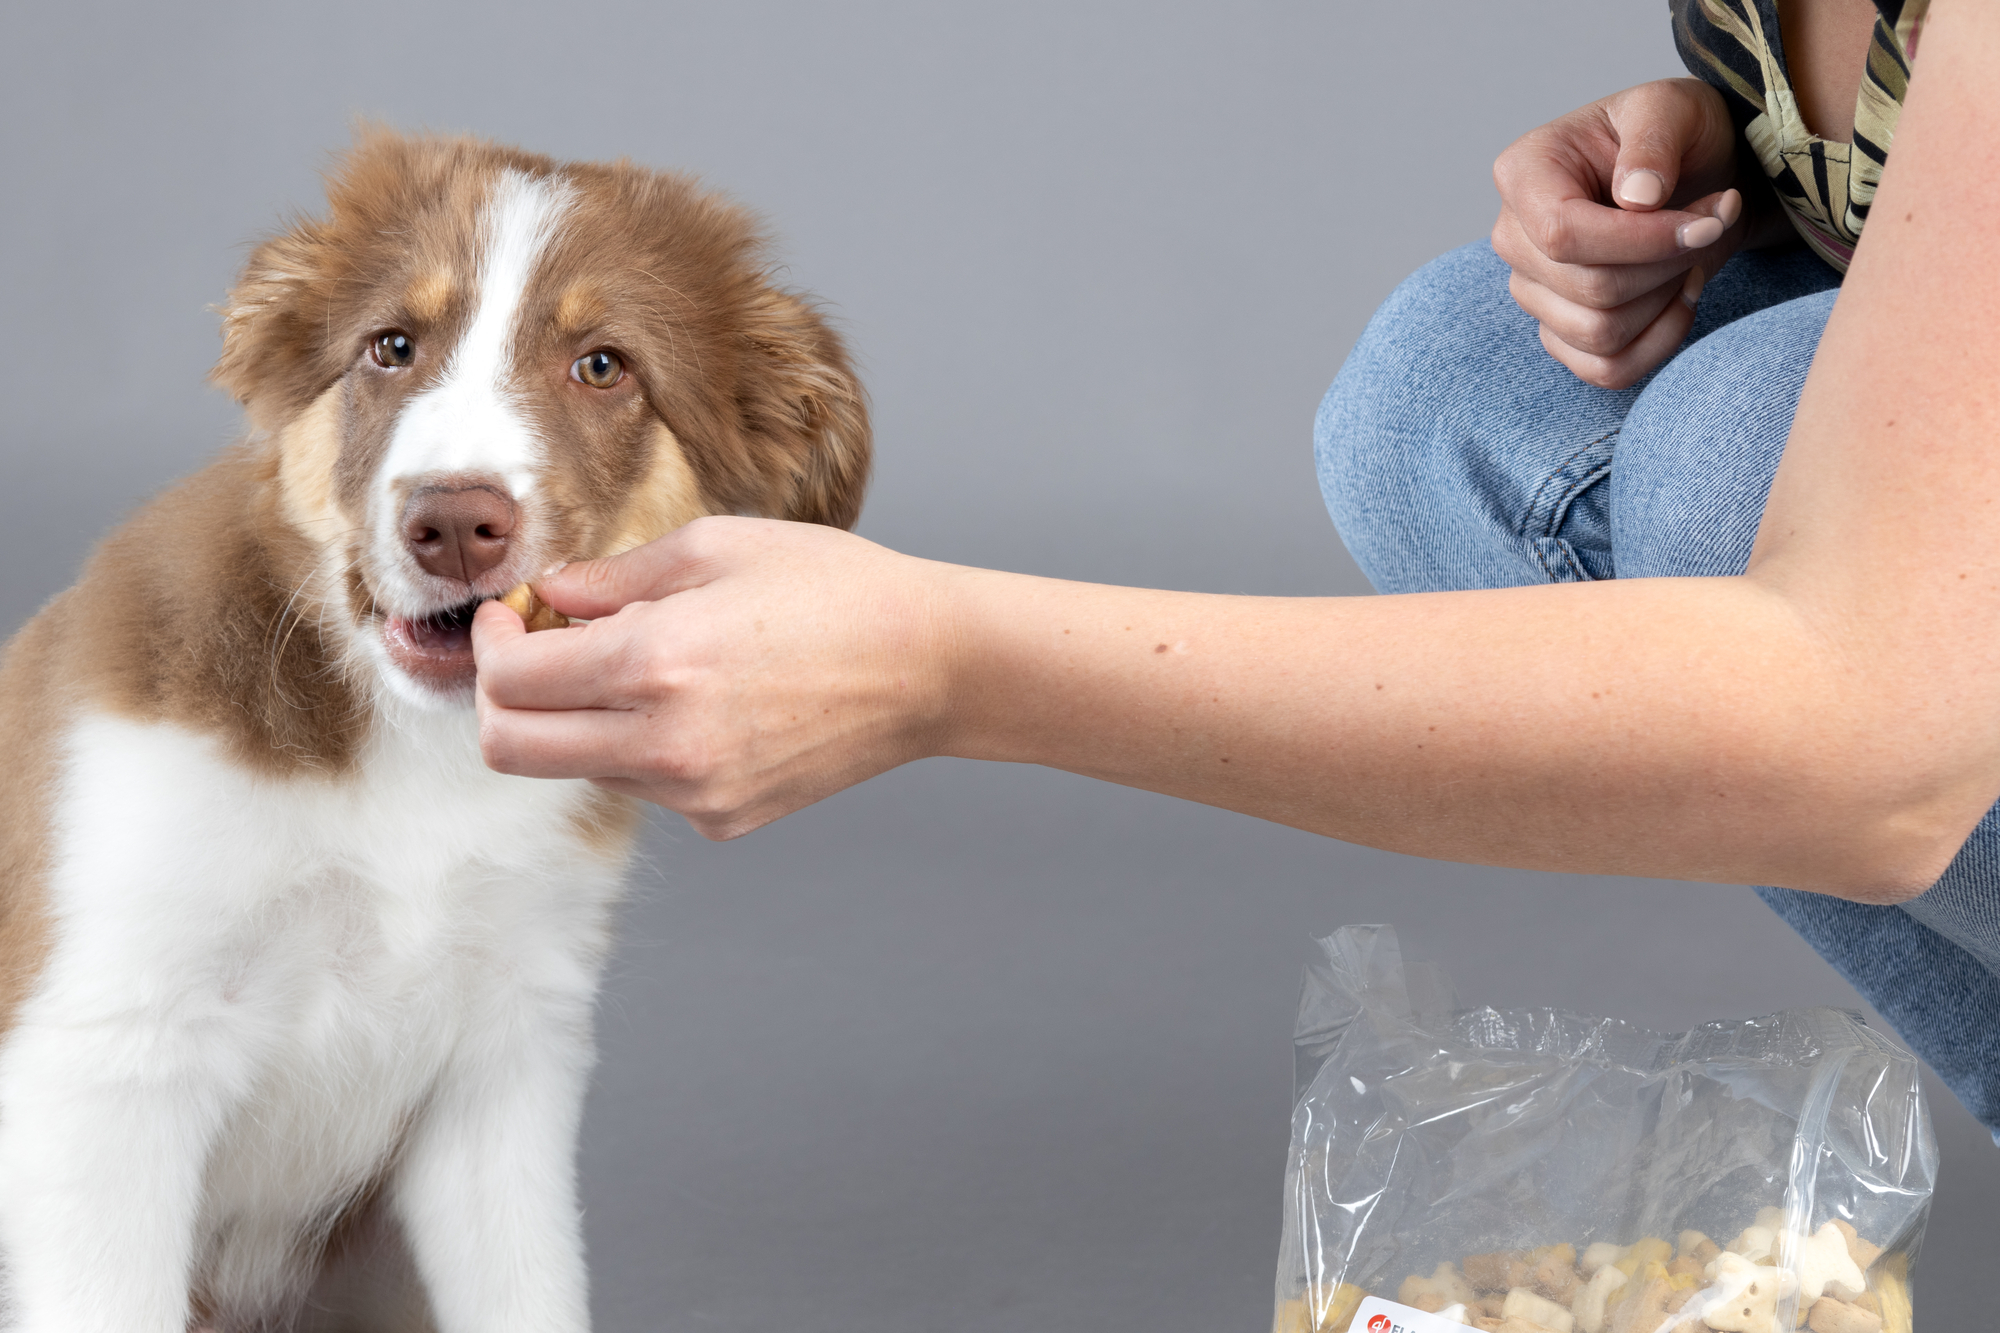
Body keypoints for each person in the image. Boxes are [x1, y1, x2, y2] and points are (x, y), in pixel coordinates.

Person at [471, 0, 2000, 1138]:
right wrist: (1744, 135)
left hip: (1881, 718)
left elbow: (1871, 741)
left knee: (1742, 458)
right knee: (1450, 393)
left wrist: (946, 663)